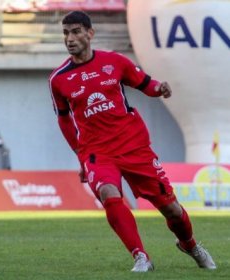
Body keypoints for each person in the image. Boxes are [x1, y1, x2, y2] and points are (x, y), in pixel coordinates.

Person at [48, 11, 216, 272]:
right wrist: (81, 155)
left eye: (76, 31)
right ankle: (141, 256)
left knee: (171, 208)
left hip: (133, 145)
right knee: (108, 193)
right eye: (66, 33)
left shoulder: (114, 61)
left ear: (90, 34)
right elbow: (64, 120)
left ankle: (190, 245)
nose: (70, 38)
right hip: (97, 151)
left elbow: (145, 83)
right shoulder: (58, 79)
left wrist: (160, 87)